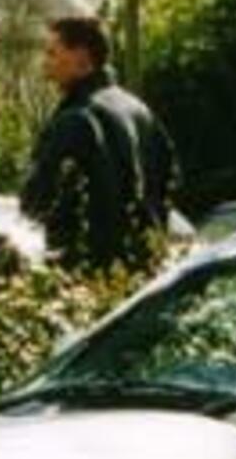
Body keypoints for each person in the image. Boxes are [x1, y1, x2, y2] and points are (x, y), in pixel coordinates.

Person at [21, 15, 151, 269]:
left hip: (86, 268)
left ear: (81, 58)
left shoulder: (77, 118)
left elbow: (37, 199)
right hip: (142, 270)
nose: (46, 66)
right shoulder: (139, 110)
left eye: (52, 54)